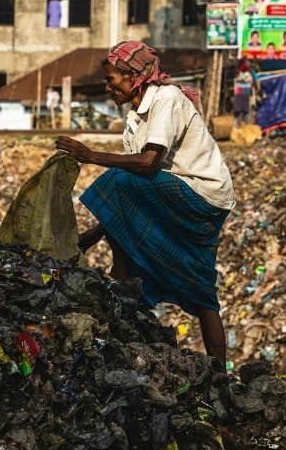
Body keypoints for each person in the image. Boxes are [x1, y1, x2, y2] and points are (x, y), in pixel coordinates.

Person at [56, 41, 235, 366]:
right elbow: (135, 188)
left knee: (118, 180)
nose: (108, 87)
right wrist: (94, 236)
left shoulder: (166, 99)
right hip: (181, 193)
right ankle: (220, 376)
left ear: (134, 76)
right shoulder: (135, 119)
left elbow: (149, 162)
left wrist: (91, 156)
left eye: (112, 79)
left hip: (203, 195)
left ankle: (122, 273)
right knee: (202, 285)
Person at [233, 61, 254, 125]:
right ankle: (245, 125)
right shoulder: (249, 75)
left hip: (239, 93)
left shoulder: (239, 74)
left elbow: (236, 83)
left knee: (237, 112)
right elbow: (251, 83)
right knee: (245, 111)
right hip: (245, 93)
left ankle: (236, 125)